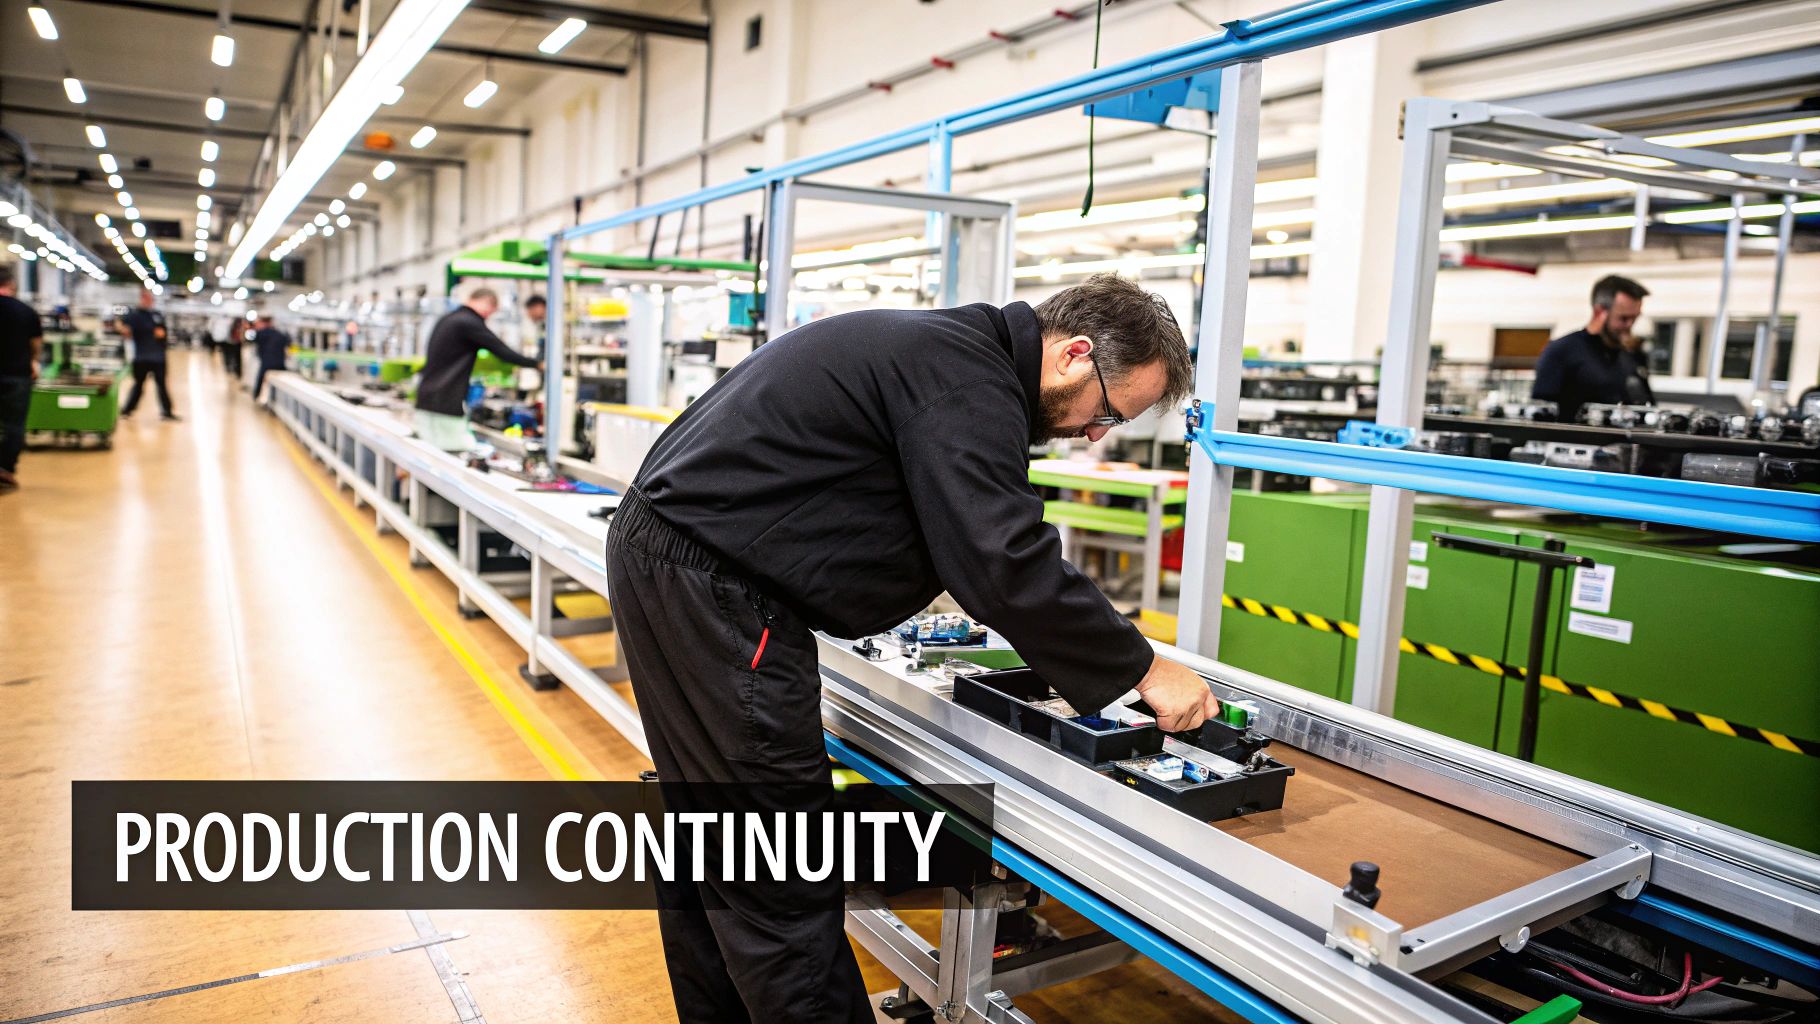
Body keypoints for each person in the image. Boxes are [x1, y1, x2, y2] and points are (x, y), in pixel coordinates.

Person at [606, 273, 1218, 1023]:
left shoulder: (953, 354)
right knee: (776, 873)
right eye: (1106, 412)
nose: (1095, 434)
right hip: (718, 593)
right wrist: (1145, 667)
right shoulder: (967, 379)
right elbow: (1002, 558)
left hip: (679, 567)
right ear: (1074, 354)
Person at [413, 287, 540, 451]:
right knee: (459, 450)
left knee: (432, 452)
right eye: (491, 312)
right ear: (486, 303)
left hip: (428, 397)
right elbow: (502, 351)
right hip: (444, 402)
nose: (488, 317)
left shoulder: (449, 318)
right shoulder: (468, 322)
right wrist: (537, 364)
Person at [1533, 274, 1651, 423]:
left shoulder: (1630, 356)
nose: (1630, 325)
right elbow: (1541, 414)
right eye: (1623, 318)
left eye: (1635, 318)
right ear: (1599, 312)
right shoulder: (1562, 351)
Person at [0, 265, 42, 492]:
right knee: (14, 424)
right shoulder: (26, 312)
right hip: (17, 375)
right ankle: (5, 469)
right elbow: (35, 344)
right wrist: (33, 361)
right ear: (11, 284)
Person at [117, 288, 178, 420]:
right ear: (141, 299)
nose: (149, 301)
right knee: (138, 385)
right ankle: (127, 410)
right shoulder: (134, 315)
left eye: (150, 298)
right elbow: (122, 327)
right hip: (141, 357)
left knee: (162, 385)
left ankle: (167, 412)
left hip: (158, 357)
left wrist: (162, 336)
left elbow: (163, 333)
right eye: (146, 298)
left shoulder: (156, 315)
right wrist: (126, 332)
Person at [250, 314, 291, 404]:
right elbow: (288, 343)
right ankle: (275, 401)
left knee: (261, 380)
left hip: (266, 362)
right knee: (278, 384)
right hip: (280, 362)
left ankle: (257, 397)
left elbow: (252, 340)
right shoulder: (280, 334)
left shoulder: (260, 333)